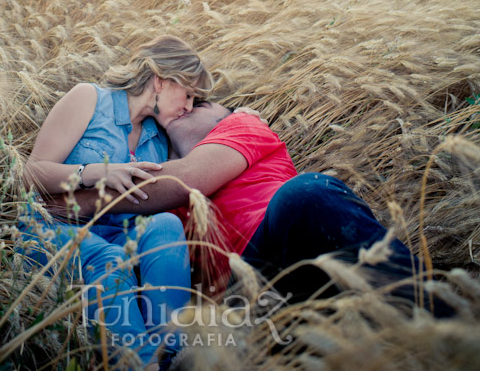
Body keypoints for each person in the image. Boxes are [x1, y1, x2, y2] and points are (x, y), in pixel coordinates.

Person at [47, 101, 451, 317]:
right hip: (242, 296)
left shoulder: (242, 126)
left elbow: (186, 177)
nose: (184, 108)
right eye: (175, 110)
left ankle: (448, 321)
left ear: (227, 114)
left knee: (305, 193)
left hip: (289, 236)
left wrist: (65, 203)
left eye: (199, 102)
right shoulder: (157, 210)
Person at [20, 36, 214, 371]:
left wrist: (243, 117)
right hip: (55, 227)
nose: (189, 106)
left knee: (167, 224)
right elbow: (32, 174)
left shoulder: (159, 136)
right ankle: (141, 370)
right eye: (187, 93)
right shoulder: (89, 99)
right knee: (106, 258)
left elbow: (212, 132)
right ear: (160, 79)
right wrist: (95, 172)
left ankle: (175, 357)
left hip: (118, 233)